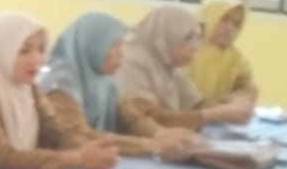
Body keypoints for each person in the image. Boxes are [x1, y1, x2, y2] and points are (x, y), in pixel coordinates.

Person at [0, 12, 121, 169]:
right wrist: (76, 158)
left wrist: (91, 152)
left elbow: (55, 134)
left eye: (41, 50)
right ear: (2, 50)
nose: (36, 60)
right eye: (24, 51)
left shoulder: (27, 87)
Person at [39, 12, 191, 156]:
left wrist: (161, 133)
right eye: (114, 45)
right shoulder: (59, 84)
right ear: (93, 45)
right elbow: (78, 136)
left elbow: (130, 118)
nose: (121, 54)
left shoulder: (103, 82)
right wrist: (149, 145)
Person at [114, 4, 254, 136]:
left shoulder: (170, 61)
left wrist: (234, 107)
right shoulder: (131, 60)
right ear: (167, 35)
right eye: (187, 38)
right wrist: (217, 114)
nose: (195, 47)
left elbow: (196, 104)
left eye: (197, 38)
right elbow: (149, 118)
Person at [188, 0, 260, 105]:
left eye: (236, 24)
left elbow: (247, 88)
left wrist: (241, 97)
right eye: (224, 20)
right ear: (207, 18)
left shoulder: (236, 58)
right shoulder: (185, 49)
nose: (230, 28)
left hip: (220, 118)